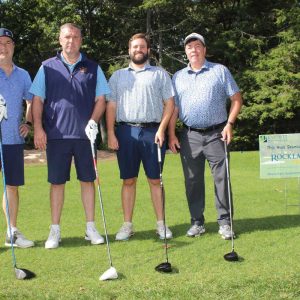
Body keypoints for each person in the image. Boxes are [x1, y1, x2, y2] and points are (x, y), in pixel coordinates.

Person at [30, 23, 109, 249]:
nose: (70, 41)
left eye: (75, 37)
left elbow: (101, 99)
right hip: (56, 135)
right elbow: (38, 100)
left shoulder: (93, 68)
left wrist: (94, 122)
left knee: (88, 181)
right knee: (56, 183)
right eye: (66, 37)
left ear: (80, 41)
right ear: (59, 39)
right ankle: (54, 230)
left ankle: (90, 228)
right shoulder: (47, 67)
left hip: (85, 136)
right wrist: (38, 127)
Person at [168, 33, 243, 239]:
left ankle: (225, 222)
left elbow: (236, 99)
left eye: (197, 45)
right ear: (185, 52)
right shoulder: (178, 76)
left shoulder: (220, 71)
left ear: (204, 49)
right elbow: (174, 108)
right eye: (189, 46)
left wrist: (229, 124)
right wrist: (171, 133)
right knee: (192, 181)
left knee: (222, 178)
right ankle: (197, 222)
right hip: (189, 135)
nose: (193, 49)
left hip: (217, 133)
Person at [106, 33, 175, 241]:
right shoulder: (118, 76)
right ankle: (127, 225)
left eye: (142, 47)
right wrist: (110, 132)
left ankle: (161, 224)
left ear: (148, 50)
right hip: (125, 131)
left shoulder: (159, 74)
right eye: (135, 47)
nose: (138, 50)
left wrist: (162, 129)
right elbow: (111, 105)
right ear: (129, 50)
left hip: (153, 132)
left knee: (155, 180)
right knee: (128, 180)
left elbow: (169, 104)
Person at [0, 28, 34, 248]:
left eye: (8, 42)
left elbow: (31, 100)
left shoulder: (22, 74)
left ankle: (12, 231)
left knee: (11, 186)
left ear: (13, 46)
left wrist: (28, 122)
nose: (3, 47)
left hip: (12, 139)